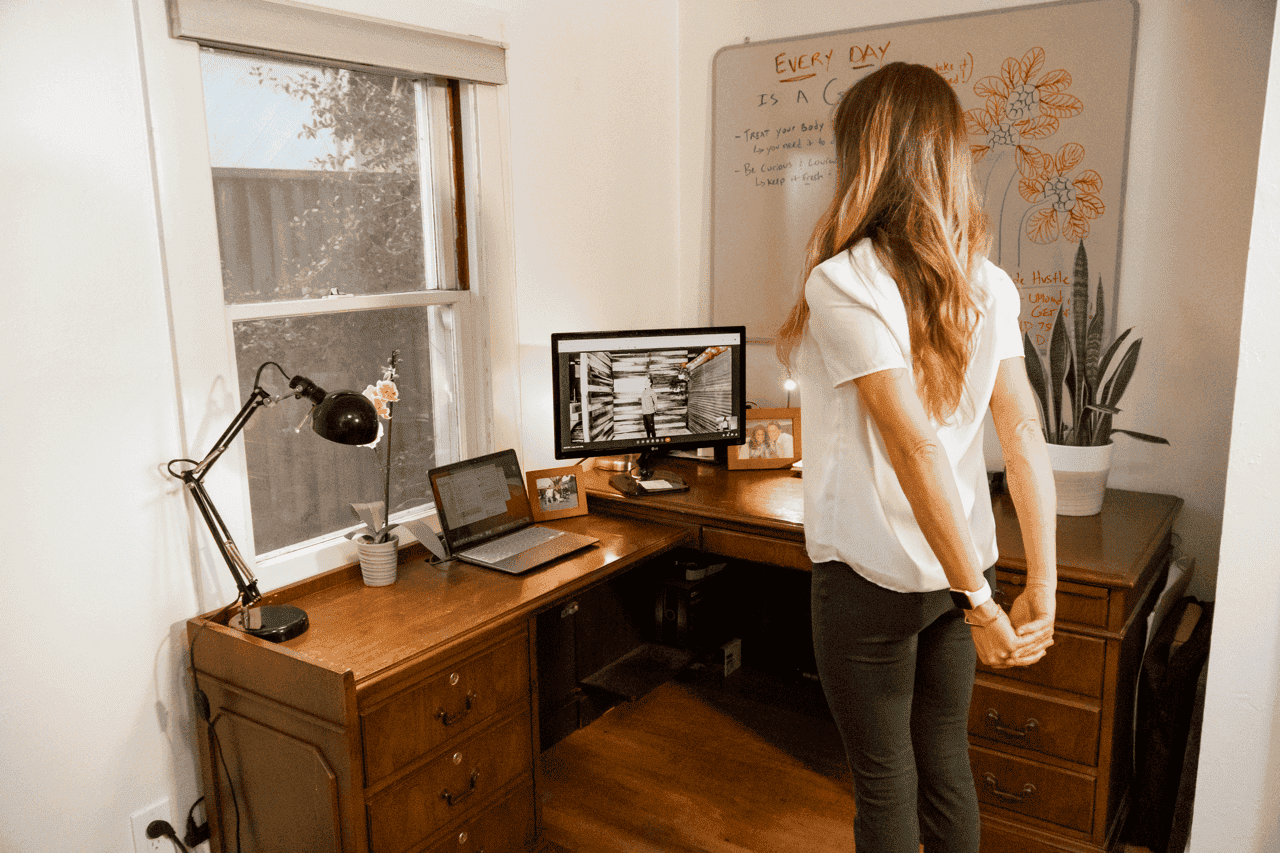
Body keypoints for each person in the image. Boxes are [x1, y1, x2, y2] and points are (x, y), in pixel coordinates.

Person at [774, 63, 1058, 853]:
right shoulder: (990, 284)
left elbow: (912, 444)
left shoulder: (843, 282)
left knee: (887, 779)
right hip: (961, 571)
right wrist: (1036, 583)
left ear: (861, 160)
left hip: (874, 582)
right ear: (948, 156)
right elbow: (1024, 433)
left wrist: (982, 601)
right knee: (945, 767)